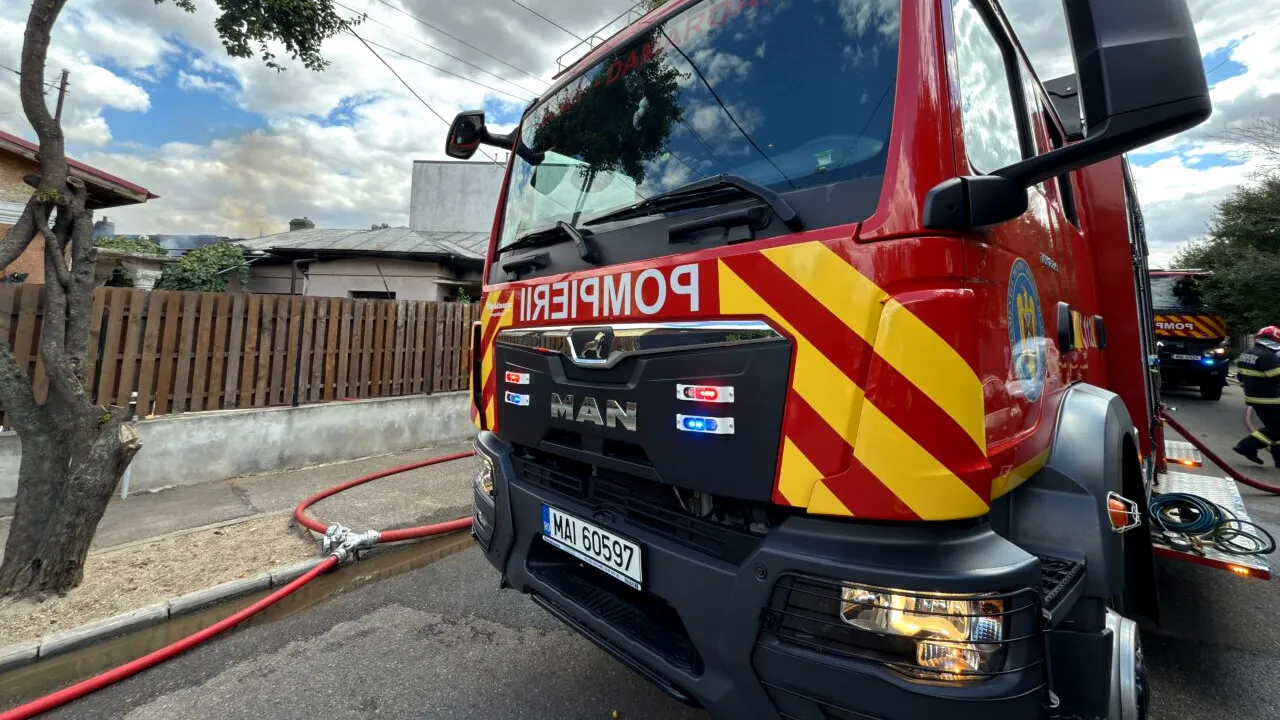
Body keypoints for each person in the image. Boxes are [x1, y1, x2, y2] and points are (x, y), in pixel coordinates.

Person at [1232, 326, 1280, 466]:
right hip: (1271, 399)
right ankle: (1246, 446)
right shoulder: (1268, 356)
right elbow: (1276, 376)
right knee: (1276, 429)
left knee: (1275, 428)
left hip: (1255, 398)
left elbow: (1240, 377)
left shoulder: (1247, 353)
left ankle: (1279, 459)